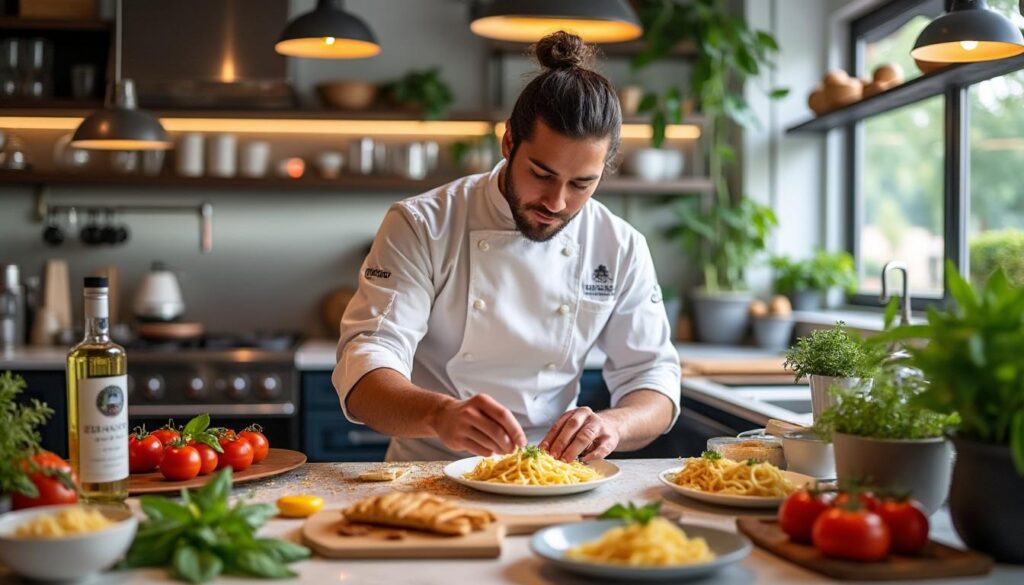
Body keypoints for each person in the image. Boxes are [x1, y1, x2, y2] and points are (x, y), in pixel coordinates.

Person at [334, 31, 681, 463]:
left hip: (554, 475)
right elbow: (366, 365)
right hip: (428, 470)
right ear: (509, 142)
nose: (556, 202)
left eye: (581, 184)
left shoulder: (620, 245)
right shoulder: (423, 224)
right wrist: (440, 414)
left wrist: (614, 425)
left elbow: (654, 377)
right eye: (541, 173)